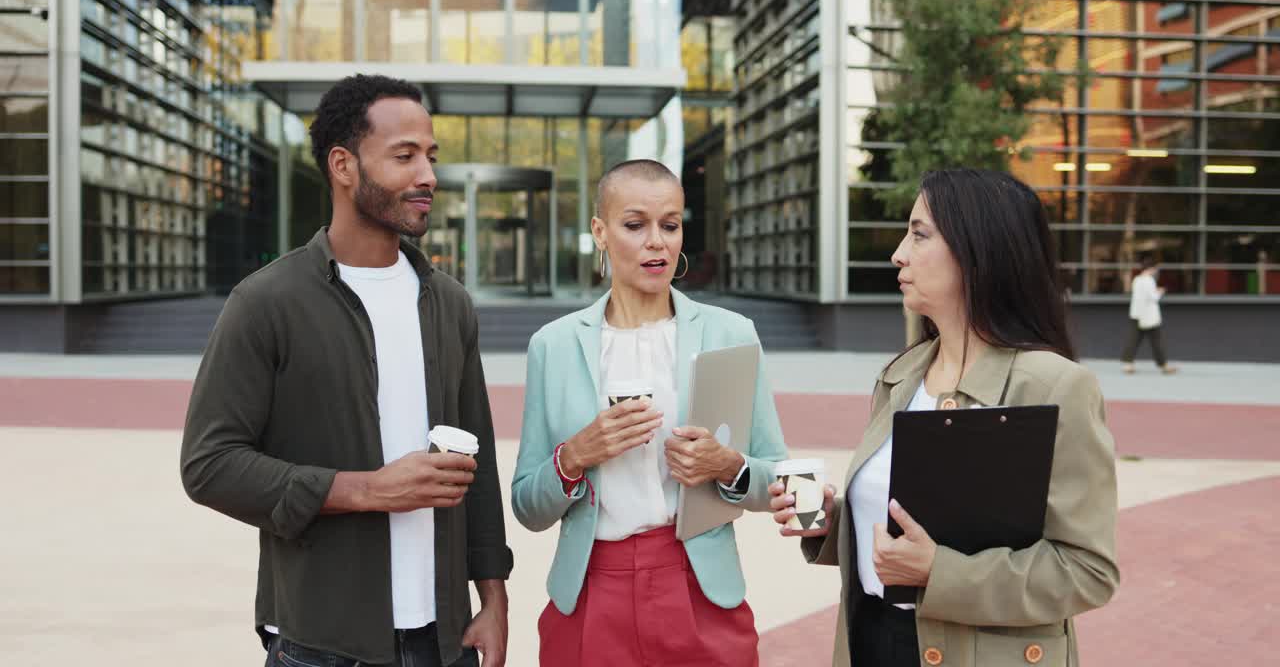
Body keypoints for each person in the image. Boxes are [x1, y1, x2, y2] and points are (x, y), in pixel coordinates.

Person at [181, 74, 513, 667]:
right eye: (404, 156)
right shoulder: (266, 302)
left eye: (431, 157)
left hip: (446, 639)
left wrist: (493, 599)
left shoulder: (450, 303)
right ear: (343, 164)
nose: (428, 176)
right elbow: (209, 464)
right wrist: (366, 490)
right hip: (322, 643)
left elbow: (478, 467)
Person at [771, 168, 1119, 667]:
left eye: (919, 234)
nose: (898, 253)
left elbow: (1088, 570)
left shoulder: (1053, 387)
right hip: (870, 639)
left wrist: (939, 571)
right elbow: (899, 523)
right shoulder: (901, 375)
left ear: (977, 252)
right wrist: (829, 523)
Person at [511, 159, 788, 666]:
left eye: (670, 224)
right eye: (635, 225)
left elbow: (778, 479)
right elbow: (528, 506)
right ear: (600, 231)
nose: (656, 241)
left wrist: (726, 466)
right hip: (592, 590)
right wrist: (573, 457)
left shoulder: (731, 334)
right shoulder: (551, 346)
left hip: (699, 584)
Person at [1122, 254, 1177, 374]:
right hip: (1149, 317)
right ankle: (1164, 365)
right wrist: (1160, 291)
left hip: (1137, 314)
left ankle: (1128, 365)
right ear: (1151, 268)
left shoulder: (1137, 280)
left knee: (1134, 340)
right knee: (1156, 341)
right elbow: (1153, 297)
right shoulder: (1149, 281)